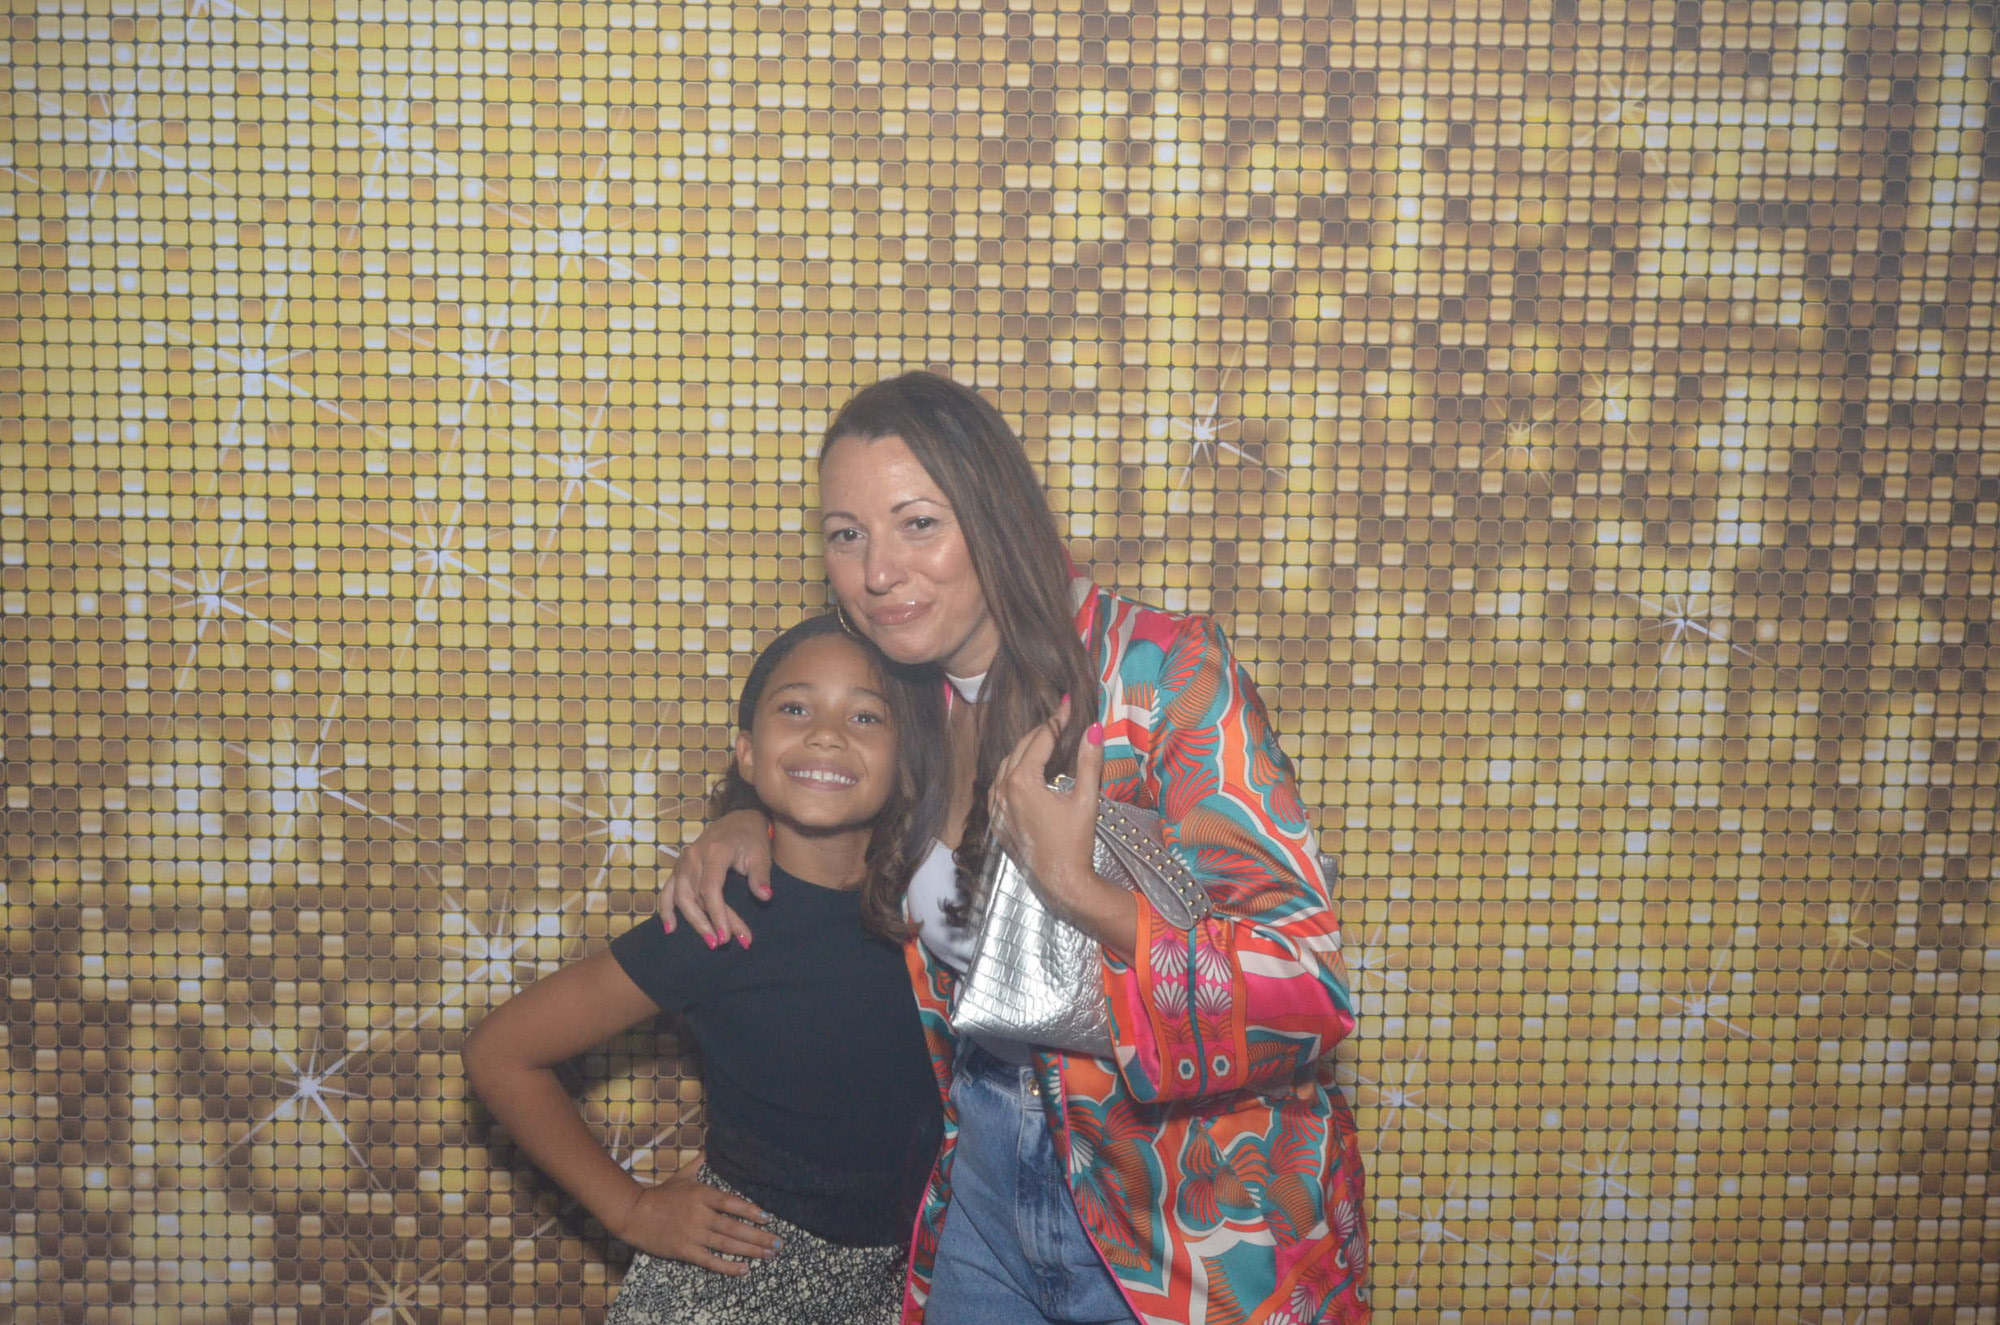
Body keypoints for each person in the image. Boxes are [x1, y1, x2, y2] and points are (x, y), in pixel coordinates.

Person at [662, 373, 1371, 1324]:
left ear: (996, 516)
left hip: (1182, 1208)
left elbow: (1308, 985)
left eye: (918, 523)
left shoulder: (1160, 673)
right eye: (846, 534)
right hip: (982, 1182)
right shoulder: (903, 699)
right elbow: (825, 789)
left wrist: (1078, 887)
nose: (878, 572)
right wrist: (747, 819)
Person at [463, 614, 948, 1325]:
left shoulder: (940, 910)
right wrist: (631, 1209)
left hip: (903, 1285)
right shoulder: (718, 915)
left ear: (909, 758)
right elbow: (500, 1052)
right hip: (739, 1281)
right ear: (747, 753)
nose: (827, 734)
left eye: (866, 715)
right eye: (796, 708)